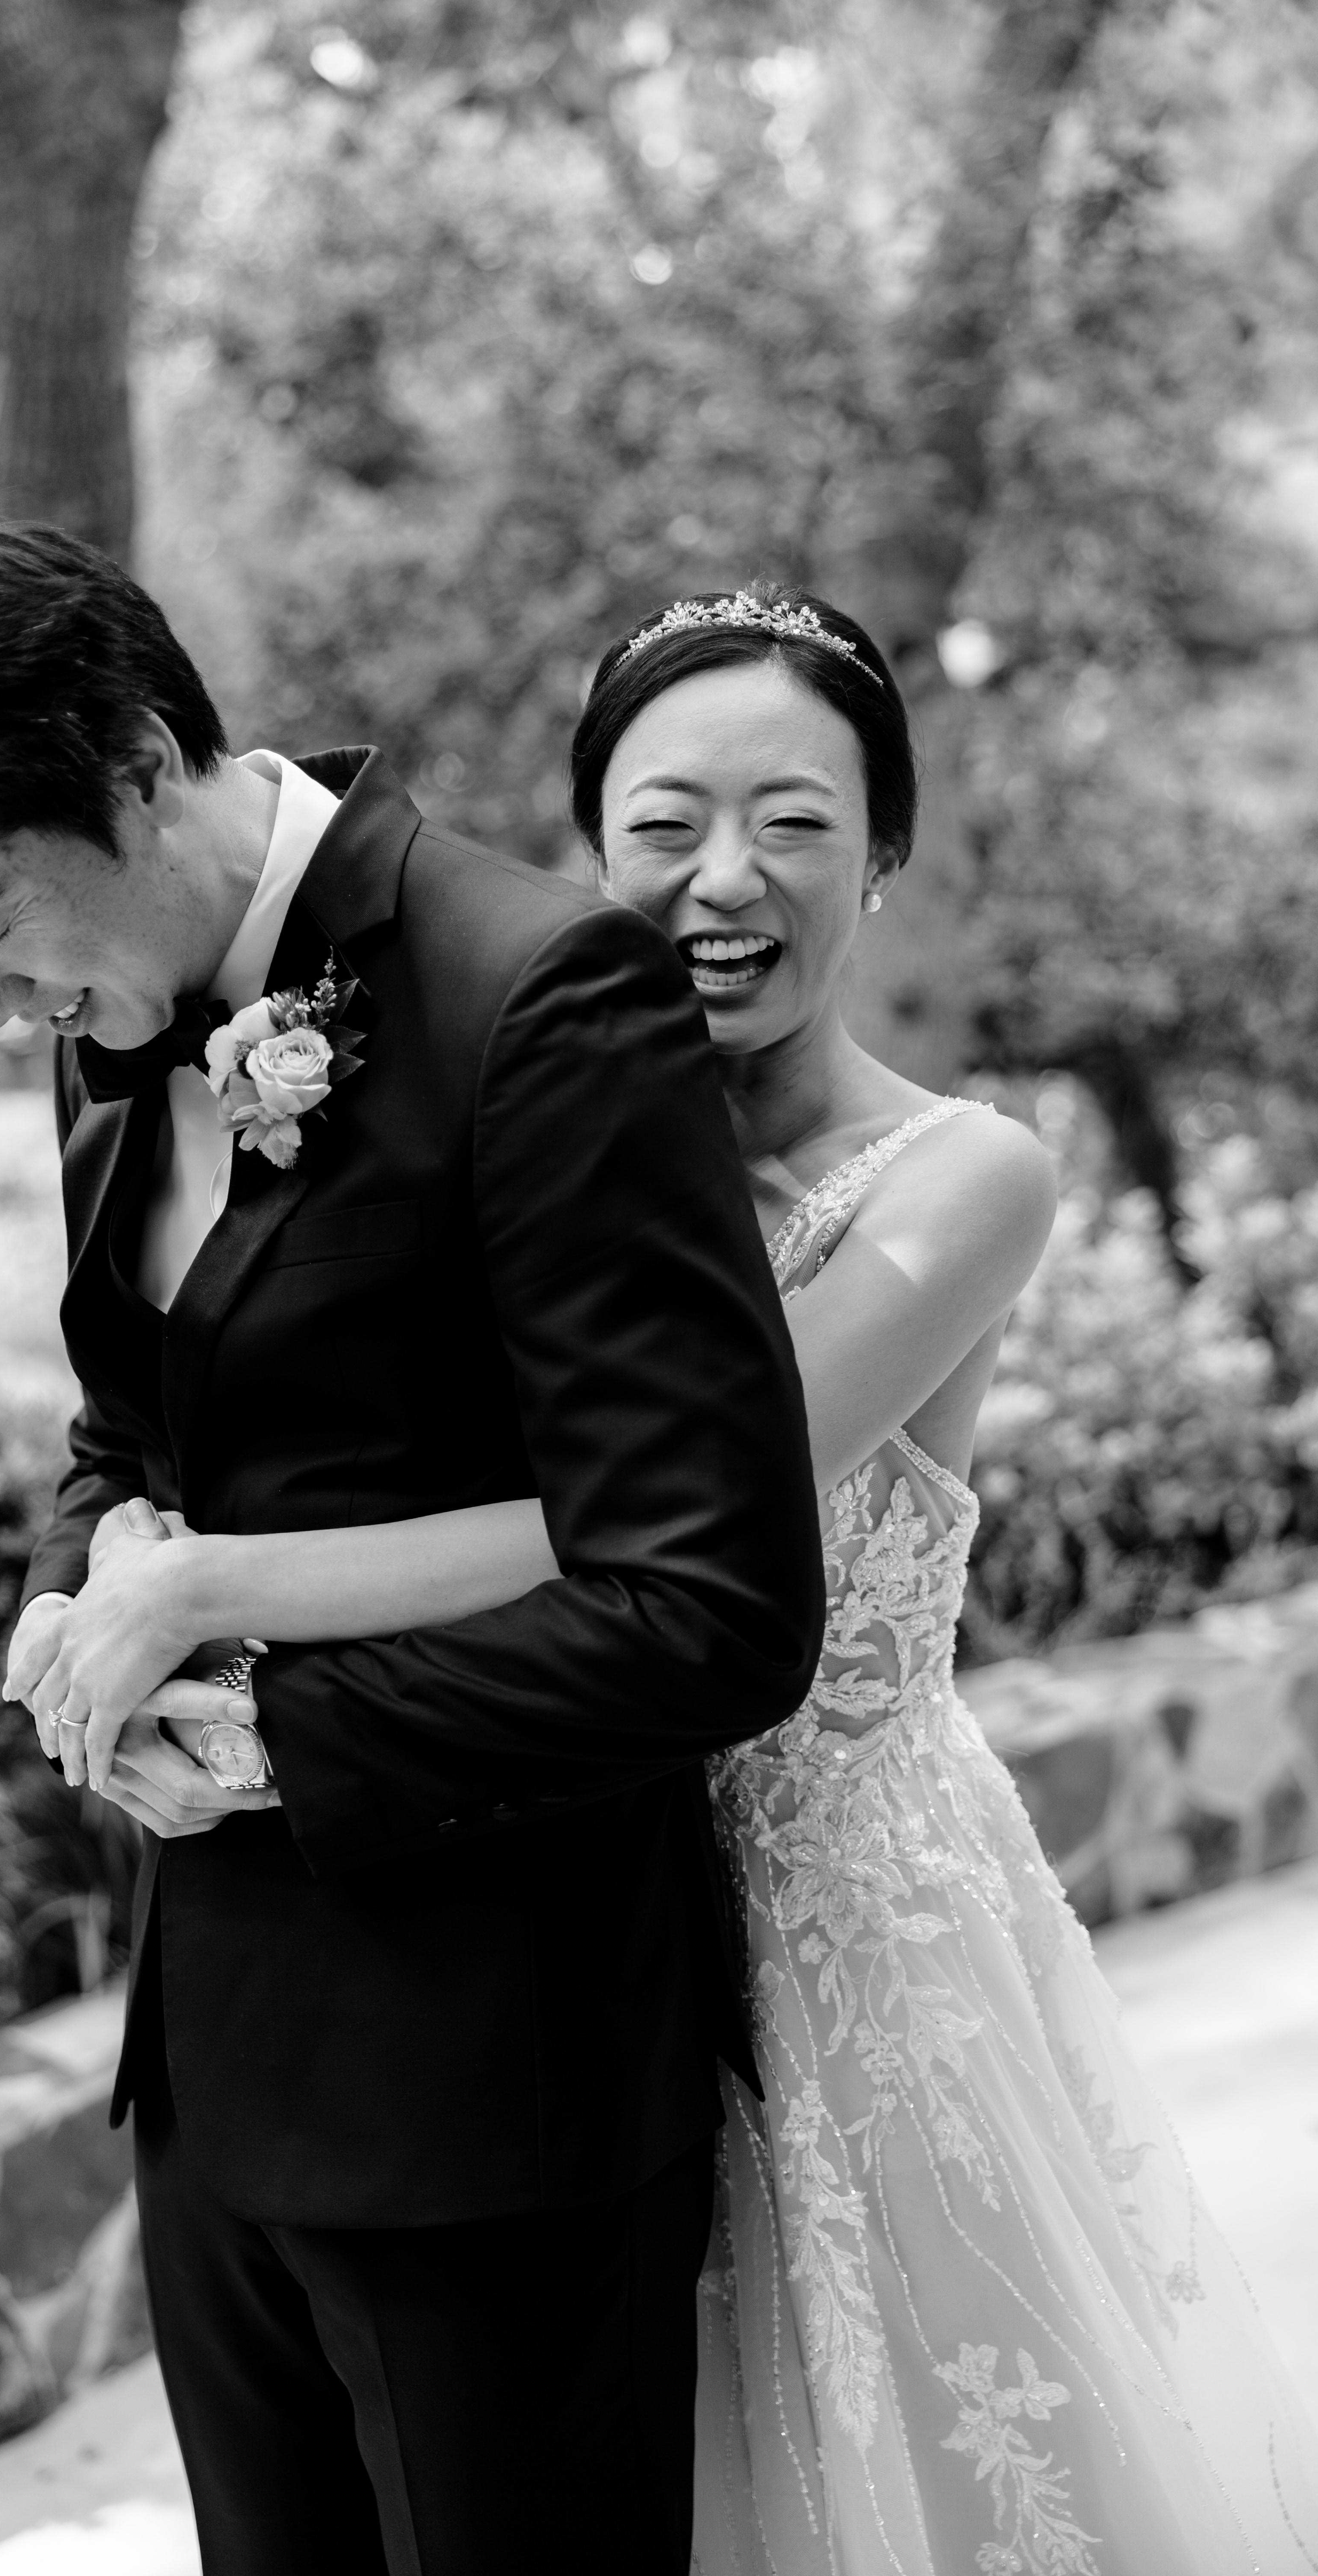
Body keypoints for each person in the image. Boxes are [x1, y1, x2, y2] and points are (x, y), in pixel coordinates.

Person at [113, 582, 1318, 2573]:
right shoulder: (489, 1129)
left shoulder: (960, 1180)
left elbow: (672, 1515)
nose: (725, 879)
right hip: (548, 1931)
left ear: (886, 856)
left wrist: (201, 1591)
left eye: (797, 824)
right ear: (591, 854)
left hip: (840, 1951)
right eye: (664, 826)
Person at [0, 518, 827, 2576]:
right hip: (212, 2080)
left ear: (138, 765)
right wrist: (71, 1610)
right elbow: (131, 1427)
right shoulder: (104, 1013)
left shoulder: (543, 993)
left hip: (493, 2098)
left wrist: (266, 1734)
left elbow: (714, 1608)